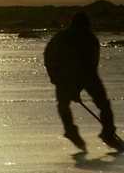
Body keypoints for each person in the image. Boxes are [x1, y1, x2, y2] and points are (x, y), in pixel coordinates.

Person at [44, 11, 124, 152]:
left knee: (67, 104)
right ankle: (103, 133)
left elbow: (49, 55)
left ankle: (104, 133)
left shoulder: (65, 37)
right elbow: (49, 56)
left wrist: (64, 81)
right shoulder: (87, 39)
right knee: (102, 104)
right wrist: (56, 77)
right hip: (67, 75)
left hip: (75, 76)